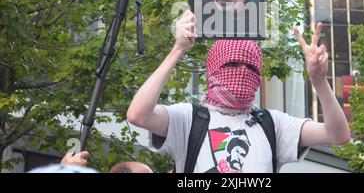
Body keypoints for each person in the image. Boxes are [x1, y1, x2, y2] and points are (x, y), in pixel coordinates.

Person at [127, 10, 351, 173]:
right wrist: (177, 50)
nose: (242, 72)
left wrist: (319, 81)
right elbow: (138, 114)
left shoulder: (273, 124)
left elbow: (338, 135)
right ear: (213, 70)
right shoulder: (188, 119)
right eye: (232, 65)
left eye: (251, 67)